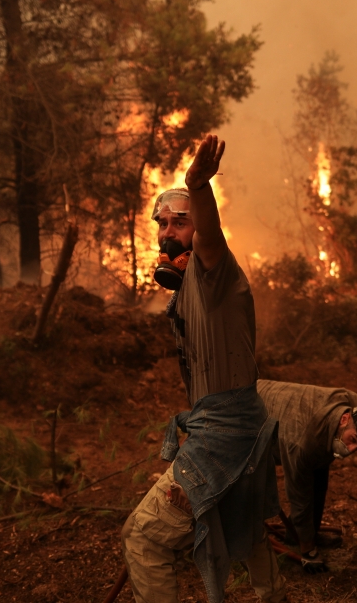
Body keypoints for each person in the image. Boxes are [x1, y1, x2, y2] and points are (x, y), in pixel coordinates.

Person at [120, 135, 285, 603]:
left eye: (181, 222)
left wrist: (199, 187)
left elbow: (210, 237)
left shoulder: (214, 271)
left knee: (144, 538)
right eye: (162, 223)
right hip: (234, 426)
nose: (168, 232)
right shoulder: (187, 286)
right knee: (246, 522)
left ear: (199, 228)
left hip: (226, 433)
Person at [256, 379, 357, 574]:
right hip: (253, 414)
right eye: (353, 440)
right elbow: (299, 496)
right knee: (302, 486)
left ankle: (304, 533)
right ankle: (301, 541)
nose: (352, 450)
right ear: (344, 420)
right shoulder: (301, 440)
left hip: (302, 421)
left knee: (320, 475)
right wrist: (308, 552)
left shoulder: (356, 405)